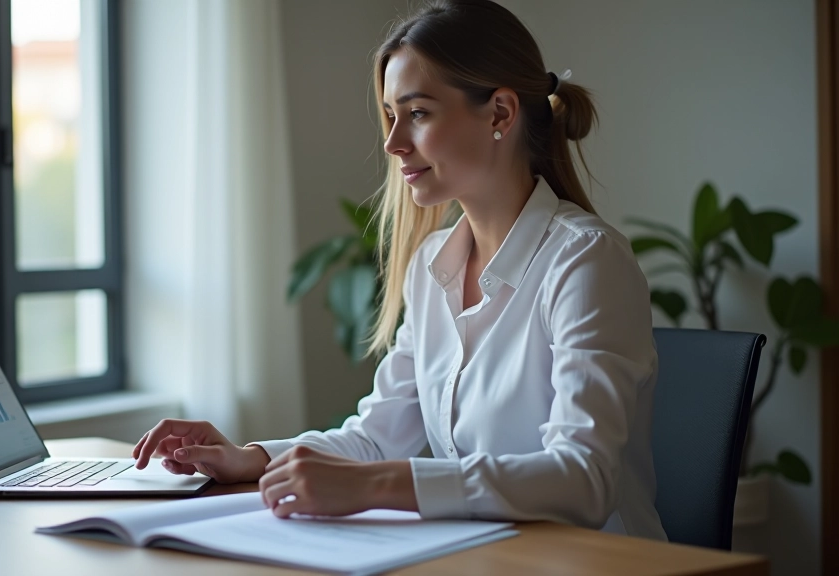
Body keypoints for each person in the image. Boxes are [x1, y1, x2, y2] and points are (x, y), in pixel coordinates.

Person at [133, 0, 666, 540]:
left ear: (501, 114)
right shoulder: (432, 265)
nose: (393, 144)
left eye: (418, 113)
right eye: (392, 115)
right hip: (489, 557)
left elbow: (583, 478)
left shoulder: (585, 261)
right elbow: (375, 438)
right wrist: (250, 458)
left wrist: (374, 485)